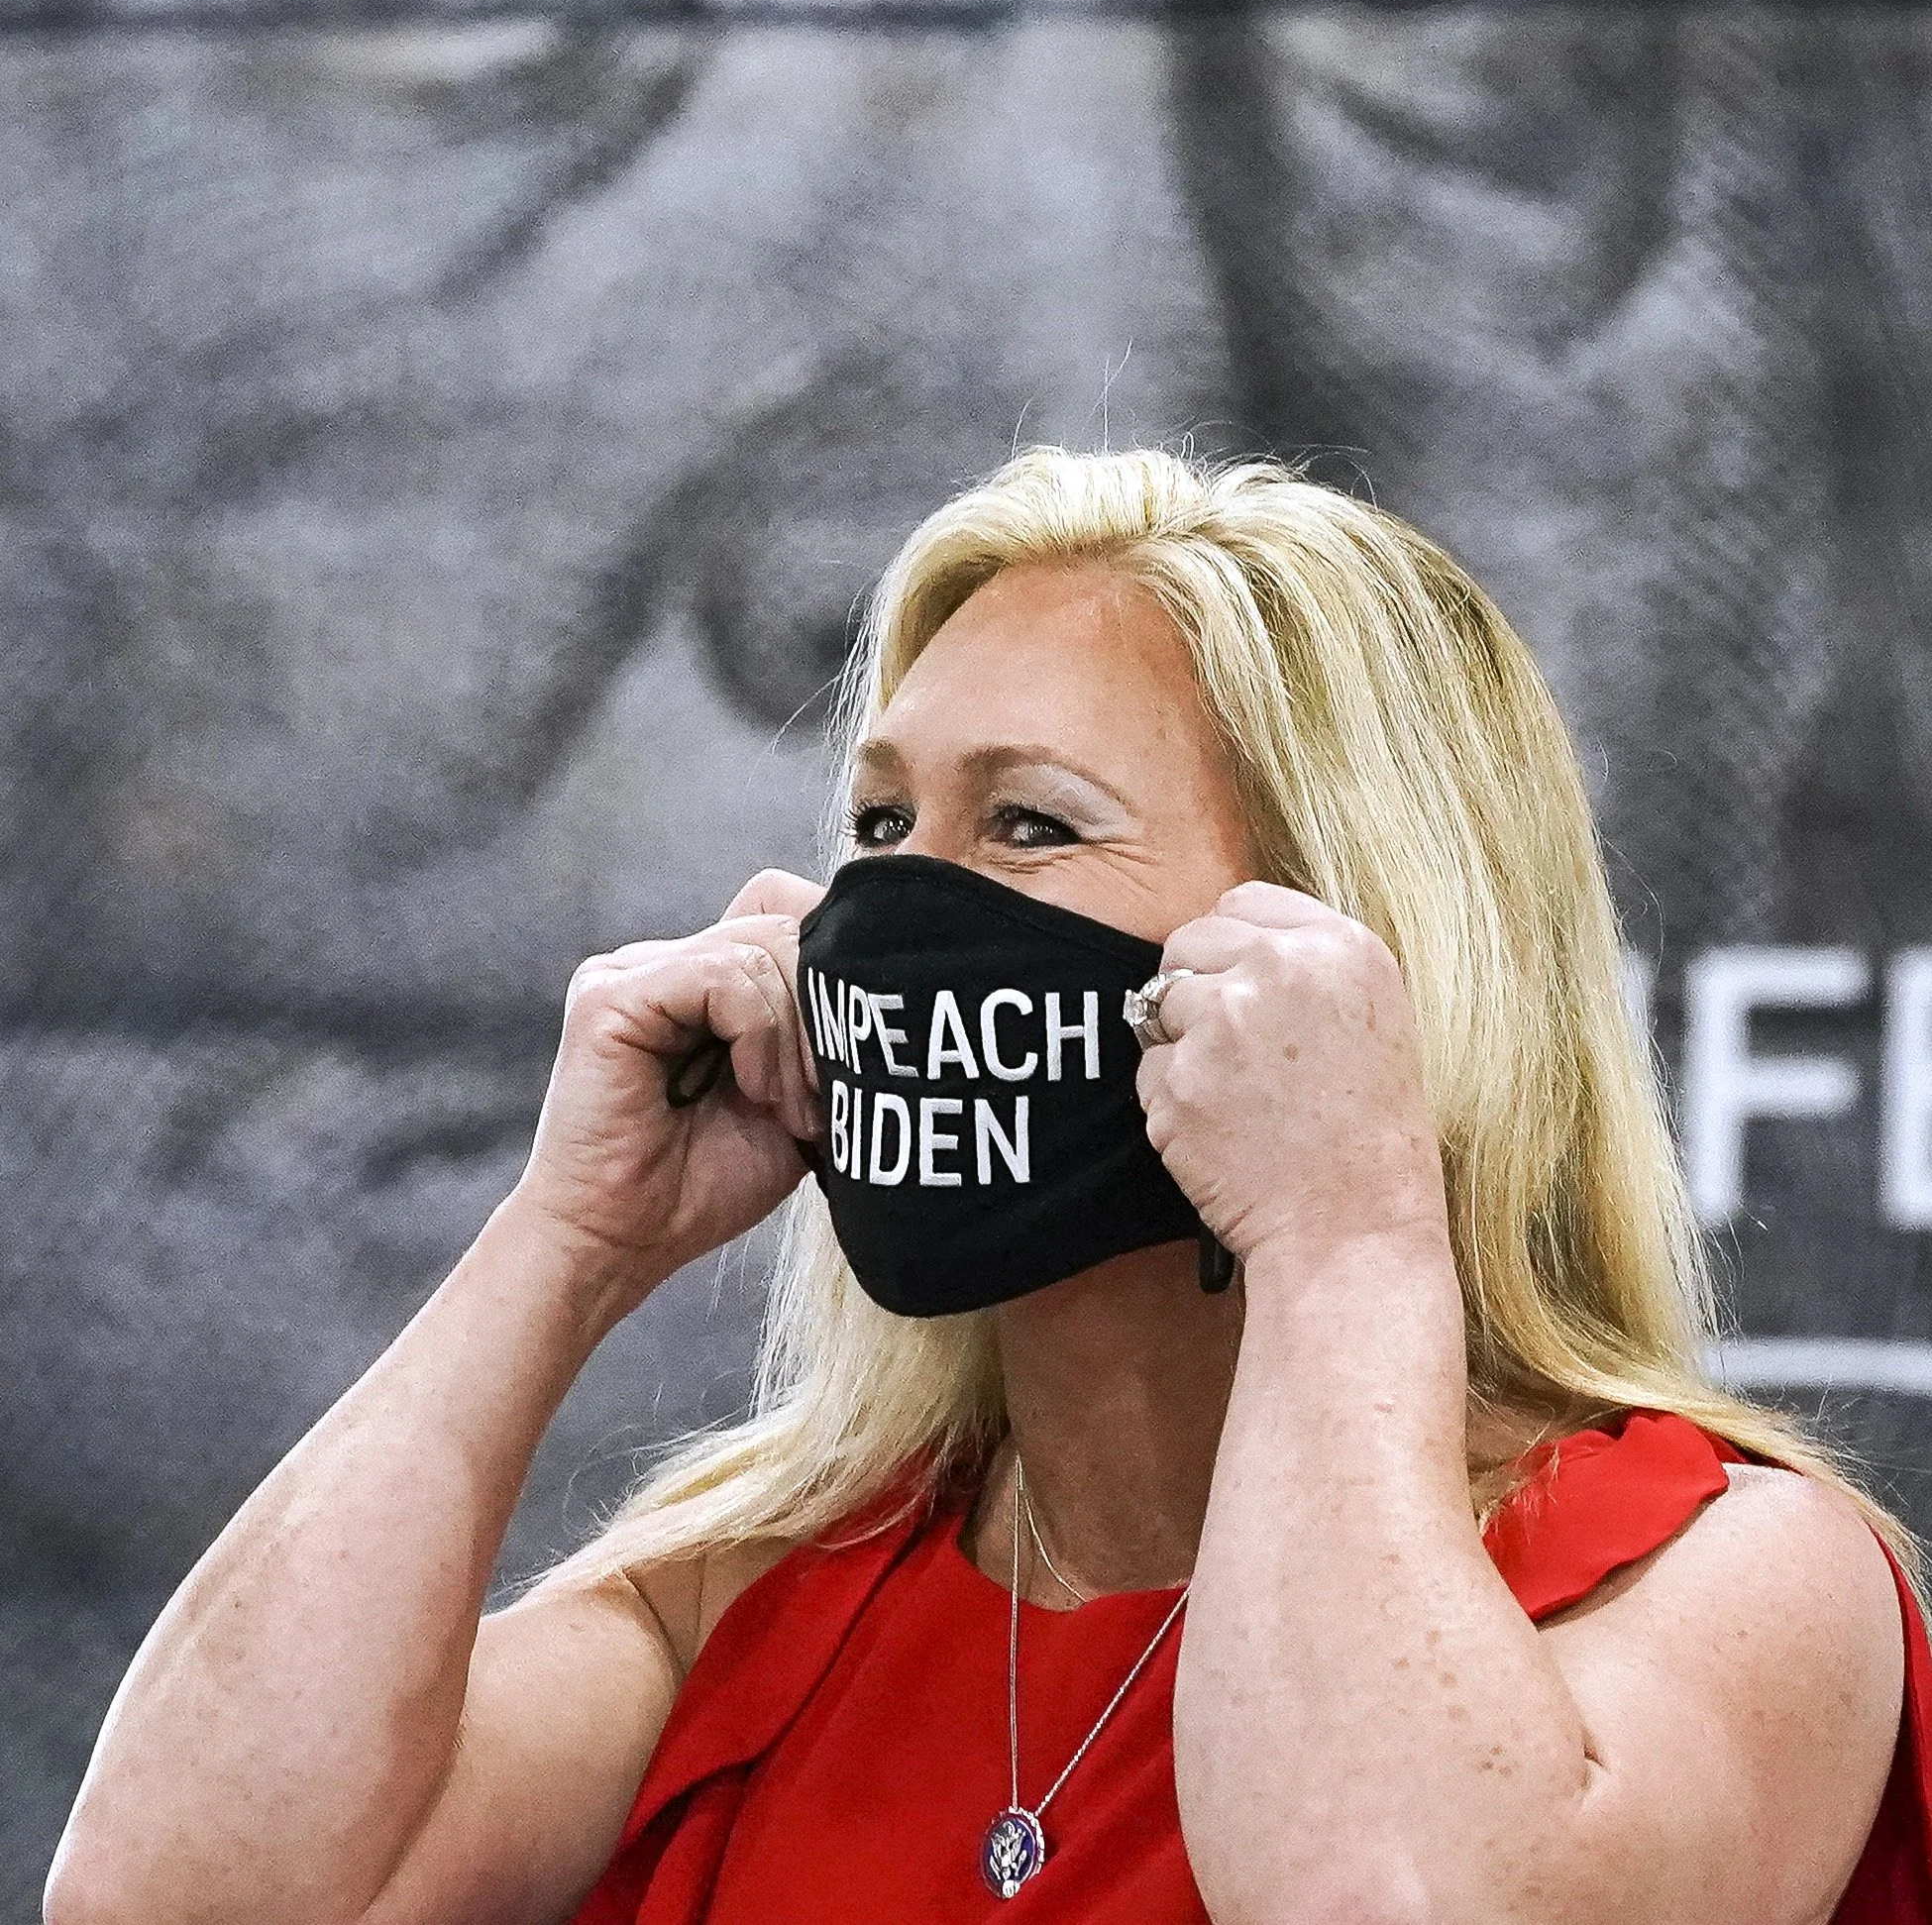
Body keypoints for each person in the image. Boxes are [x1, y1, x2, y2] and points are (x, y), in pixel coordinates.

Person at [48, 447, 1927, 1925]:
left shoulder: (1722, 1577)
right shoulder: (766, 1595)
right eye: (879, 823)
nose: (889, 911)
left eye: (1027, 823)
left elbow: (1393, 1896)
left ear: (1354, 933)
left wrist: (1349, 1234)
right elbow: (184, 1892)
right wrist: (562, 1244)